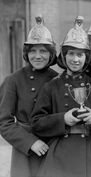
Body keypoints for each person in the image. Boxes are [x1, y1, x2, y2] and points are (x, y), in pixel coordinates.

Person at [31, 16, 91, 177]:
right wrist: (63, 119)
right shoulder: (51, 87)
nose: (75, 59)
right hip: (59, 155)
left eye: (80, 55)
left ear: (86, 58)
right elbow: (37, 123)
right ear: (64, 56)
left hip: (90, 154)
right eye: (71, 54)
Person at [0, 15, 58, 177]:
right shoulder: (14, 80)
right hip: (24, 151)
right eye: (32, 51)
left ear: (51, 54)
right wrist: (30, 142)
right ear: (26, 53)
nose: (37, 56)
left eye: (43, 51)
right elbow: (4, 122)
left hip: (53, 147)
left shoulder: (57, 79)